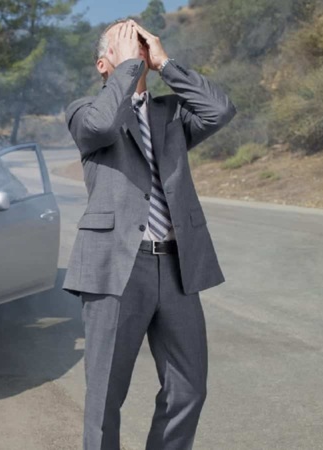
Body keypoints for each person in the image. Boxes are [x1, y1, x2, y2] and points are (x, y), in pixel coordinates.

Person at [64, 19, 236, 450]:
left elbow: (220, 110)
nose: (136, 52)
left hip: (178, 266)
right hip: (116, 267)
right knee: (105, 397)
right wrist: (126, 69)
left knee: (189, 389)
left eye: (140, 46)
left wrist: (165, 64)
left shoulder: (171, 114)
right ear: (103, 63)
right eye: (125, 48)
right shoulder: (84, 110)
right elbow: (103, 128)